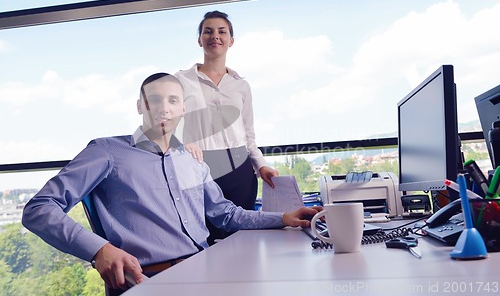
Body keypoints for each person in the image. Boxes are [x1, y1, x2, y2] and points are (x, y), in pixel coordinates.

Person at [22, 73, 321, 294]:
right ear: (140, 106)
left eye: (172, 100)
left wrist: (283, 218)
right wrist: (99, 249)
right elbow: (39, 209)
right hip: (146, 282)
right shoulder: (106, 151)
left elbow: (226, 215)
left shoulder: (192, 160)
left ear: (183, 110)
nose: (163, 108)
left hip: (208, 274)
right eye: (154, 100)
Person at [175, 10, 279, 244]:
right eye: (208, 31)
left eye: (222, 32)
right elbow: (168, 124)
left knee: (243, 238)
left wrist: (261, 166)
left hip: (240, 168)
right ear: (199, 39)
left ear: (231, 41)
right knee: (202, 239)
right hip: (198, 167)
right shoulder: (180, 80)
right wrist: (182, 144)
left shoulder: (241, 85)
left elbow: (248, 134)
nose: (215, 36)